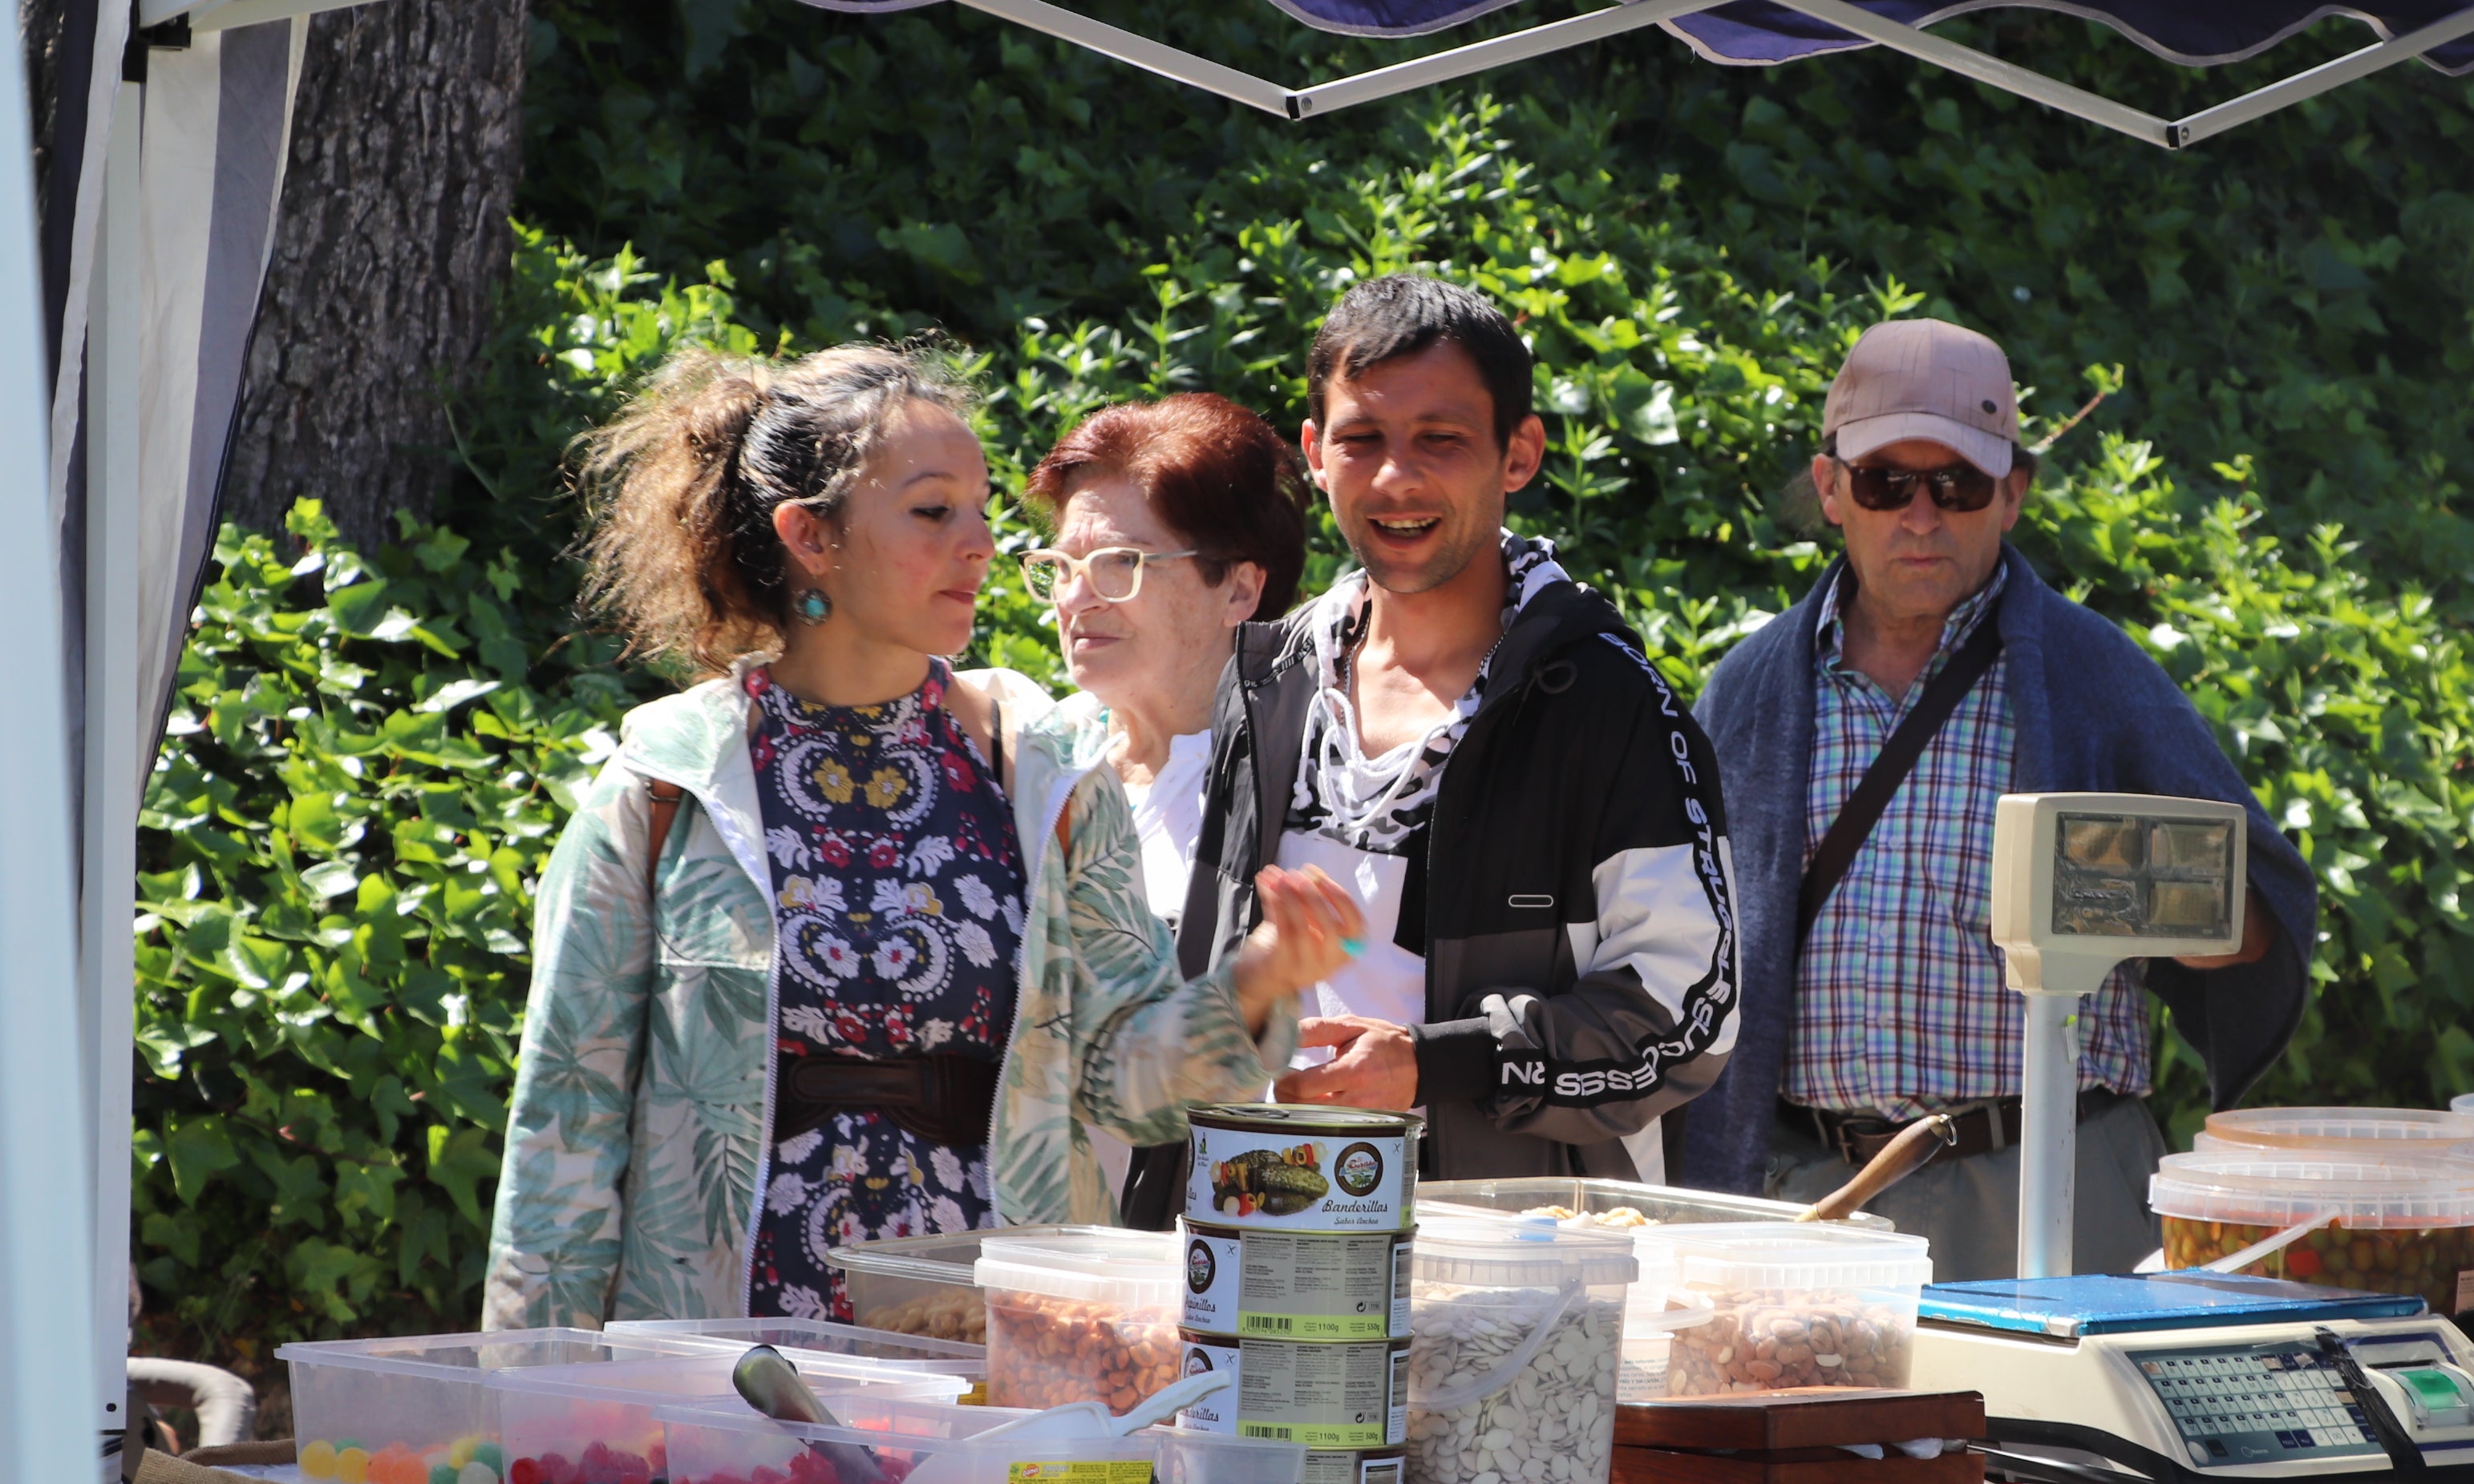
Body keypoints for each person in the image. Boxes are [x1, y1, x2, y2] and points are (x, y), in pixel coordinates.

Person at [481, 345, 1360, 1328]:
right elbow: (565, 1133)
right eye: (935, 511)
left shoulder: (1046, 775)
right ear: (812, 535)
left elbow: (1126, 1087)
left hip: (992, 1356)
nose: (981, 543)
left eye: (984, 510)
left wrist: (1257, 983)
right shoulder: (664, 784)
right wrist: (539, 1403)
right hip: (718, 1357)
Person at [1668, 319, 2314, 1279]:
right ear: (1833, 487)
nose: (1921, 517)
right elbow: (1683, 944)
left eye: (1958, 485)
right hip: (1807, 1195)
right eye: (1888, 482)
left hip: (2049, 1180)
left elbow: (2258, 923)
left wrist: (2143, 895)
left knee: (2056, 1435)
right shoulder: (1752, 687)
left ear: (2013, 494)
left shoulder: (2095, 673)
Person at [1136, 273, 1739, 1211]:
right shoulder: (1272, 680)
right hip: (1269, 1231)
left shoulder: (1606, 702)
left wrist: (1434, 1065)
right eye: (1363, 440)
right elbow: (1204, 985)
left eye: (1442, 441)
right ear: (1315, 453)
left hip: (1515, 1269)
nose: (1396, 478)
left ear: (1520, 454)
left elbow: (1688, 1014)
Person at [1019, 391, 1309, 1187]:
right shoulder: (1033, 765)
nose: (1077, 597)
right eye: (1061, 568)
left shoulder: (1306, 780)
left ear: (1241, 590)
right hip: (1051, 1245)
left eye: (1120, 563)